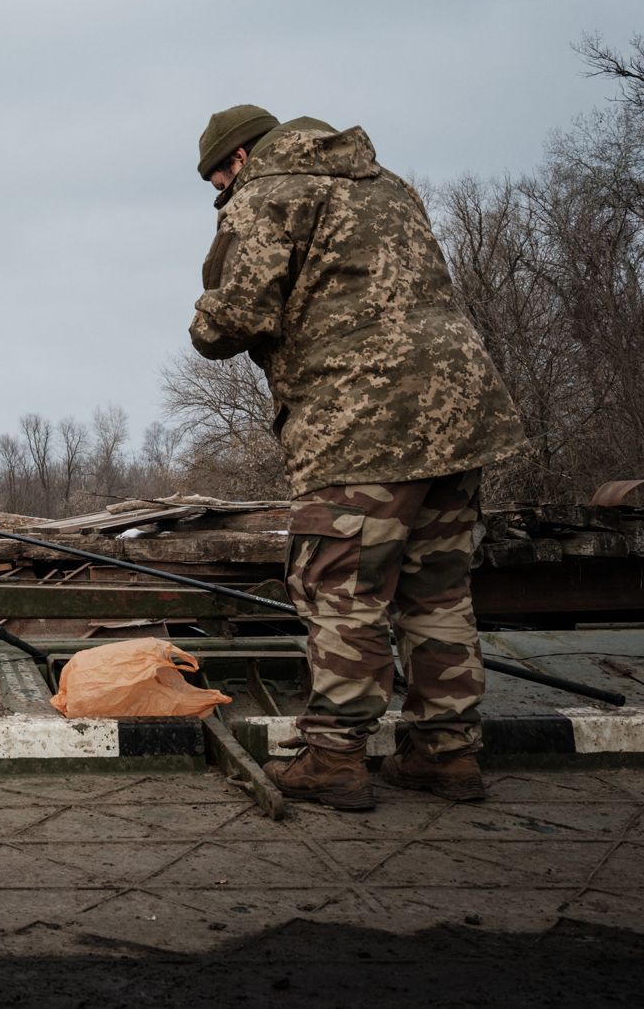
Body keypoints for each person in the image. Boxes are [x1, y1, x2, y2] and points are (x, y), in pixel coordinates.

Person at [189, 105, 525, 810]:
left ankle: (336, 758)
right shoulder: (388, 184)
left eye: (219, 180)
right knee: (437, 589)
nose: (222, 192)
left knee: (340, 586)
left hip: (361, 418)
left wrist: (203, 320)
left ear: (239, 159)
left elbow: (238, 315)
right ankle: (446, 754)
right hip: (459, 409)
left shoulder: (268, 192)